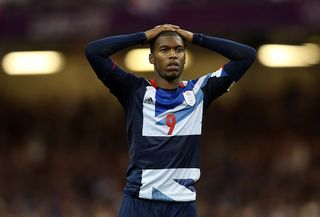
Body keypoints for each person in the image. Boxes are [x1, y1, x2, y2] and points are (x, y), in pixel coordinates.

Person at [85, 24, 256, 217]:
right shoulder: (133, 91)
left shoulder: (200, 91)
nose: (173, 55)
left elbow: (247, 55)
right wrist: (143, 36)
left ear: (185, 57)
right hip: (139, 203)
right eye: (164, 50)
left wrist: (195, 38)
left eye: (179, 49)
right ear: (151, 58)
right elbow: (93, 52)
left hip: (181, 206)